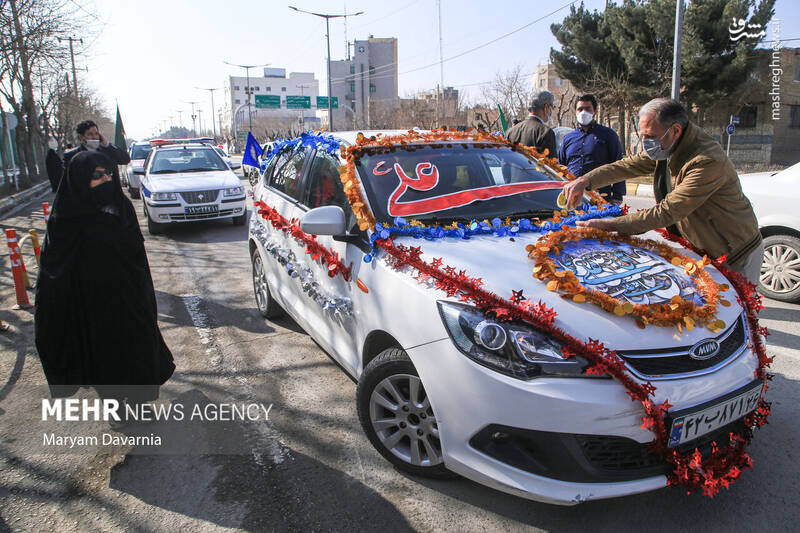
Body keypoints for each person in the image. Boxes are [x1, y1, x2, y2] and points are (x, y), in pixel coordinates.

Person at [35, 151, 174, 421]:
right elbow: (55, 268)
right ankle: (114, 407)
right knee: (103, 360)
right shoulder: (66, 217)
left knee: (137, 351)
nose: (106, 180)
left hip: (128, 298)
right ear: (80, 179)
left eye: (109, 174)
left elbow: (137, 253)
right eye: (98, 175)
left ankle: (140, 404)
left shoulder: (120, 207)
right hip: (90, 307)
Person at [563, 98, 763, 283]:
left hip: (735, 253)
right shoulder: (668, 145)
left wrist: (608, 225)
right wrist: (585, 180)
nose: (646, 142)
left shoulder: (706, 160)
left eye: (650, 136)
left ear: (675, 130)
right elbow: (627, 166)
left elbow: (668, 211)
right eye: (642, 135)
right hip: (703, 250)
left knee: (735, 314)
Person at [558, 94, 626, 203]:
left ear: (595, 110)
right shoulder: (568, 138)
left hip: (599, 198)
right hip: (571, 197)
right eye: (580, 109)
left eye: (587, 108)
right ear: (575, 111)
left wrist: (617, 196)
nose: (583, 112)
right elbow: (560, 167)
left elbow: (618, 165)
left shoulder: (608, 135)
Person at [60, 120, 130, 190]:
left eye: (96, 134)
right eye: (90, 134)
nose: (94, 137)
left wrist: (107, 145)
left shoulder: (107, 151)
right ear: (81, 137)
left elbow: (125, 159)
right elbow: (68, 181)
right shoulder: (72, 155)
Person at [505, 89, 557, 157]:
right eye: (552, 107)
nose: (551, 111)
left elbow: (505, 164)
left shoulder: (510, 132)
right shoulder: (545, 132)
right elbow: (550, 164)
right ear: (546, 107)